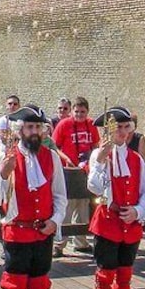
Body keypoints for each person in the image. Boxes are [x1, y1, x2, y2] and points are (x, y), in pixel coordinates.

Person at [0, 105, 66, 289]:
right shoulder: (6, 158)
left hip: (42, 232)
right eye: (29, 127)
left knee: (39, 287)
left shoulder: (51, 157)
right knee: (14, 288)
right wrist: (4, 174)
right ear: (20, 130)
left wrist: (55, 221)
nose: (34, 132)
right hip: (17, 232)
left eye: (37, 127)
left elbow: (59, 195)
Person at [86, 106, 145, 289]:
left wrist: (137, 211)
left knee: (124, 278)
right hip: (107, 223)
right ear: (110, 131)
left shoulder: (136, 159)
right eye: (119, 128)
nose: (123, 133)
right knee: (106, 277)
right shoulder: (99, 156)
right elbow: (94, 187)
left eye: (127, 128)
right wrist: (101, 160)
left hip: (130, 224)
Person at [51, 96, 99, 257]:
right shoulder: (64, 125)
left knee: (83, 204)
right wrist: (66, 159)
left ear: (87, 112)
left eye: (83, 112)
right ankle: (59, 244)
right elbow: (54, 146)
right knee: (67, 206)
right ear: (72, 112)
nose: (79, 115)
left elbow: (95, 145)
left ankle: (81, 241)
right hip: (69, 170)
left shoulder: (91, 125)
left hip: (85, 170)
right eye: (77, 112)